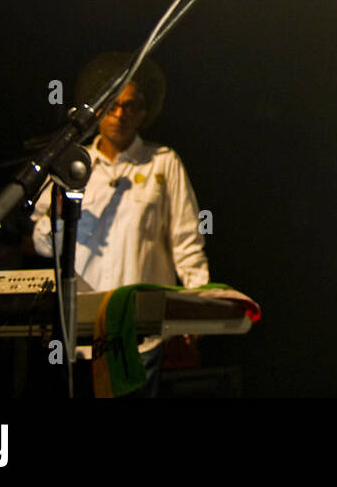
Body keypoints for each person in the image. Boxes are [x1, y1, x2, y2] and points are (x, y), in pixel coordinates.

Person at [31, 53, 209, 394]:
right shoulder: (73, 165)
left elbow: (187, 240)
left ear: (143, 113)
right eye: (112, 105)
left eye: (129, 107)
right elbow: (42, 243)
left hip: (140, 334)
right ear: (97, 109)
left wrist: (196, 303)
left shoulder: (163, 162)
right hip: (81, 334)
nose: (119, 115)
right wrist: (55, 214)